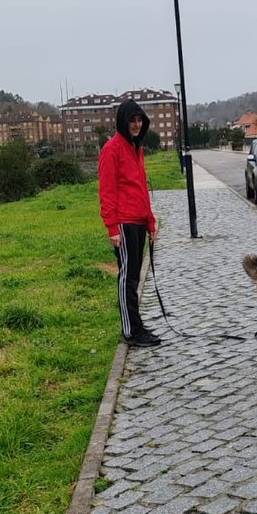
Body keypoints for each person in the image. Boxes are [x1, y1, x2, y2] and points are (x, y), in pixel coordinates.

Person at [98, 99, 161, 347]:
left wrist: (151, 221)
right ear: (123, 122)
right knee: (128, 277)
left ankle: (137, 325)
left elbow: (141, 188)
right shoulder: (111, 149)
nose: (136, 125)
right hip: (123, 223)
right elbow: (107, 190)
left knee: (134, 276)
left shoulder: (137, 149)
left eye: (139, 121)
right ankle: (130, 331)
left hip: (138, 221)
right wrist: (112, 227)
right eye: (132, 120)